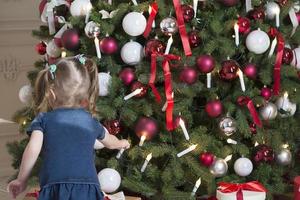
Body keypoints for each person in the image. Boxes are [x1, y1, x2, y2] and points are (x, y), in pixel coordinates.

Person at [7, 56, 130, 200]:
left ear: (51, 93)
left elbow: (33, 149)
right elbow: (110, 142)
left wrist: (21, 180)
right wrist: (123, 143)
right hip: (87, 188)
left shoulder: (43, 120)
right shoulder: (90, 121)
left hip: (54, 187)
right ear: (85, 94)